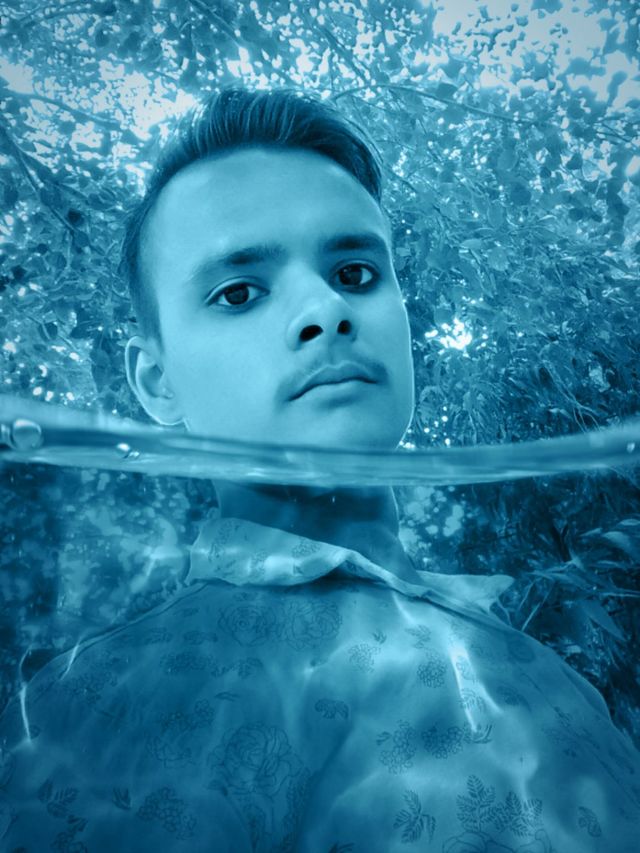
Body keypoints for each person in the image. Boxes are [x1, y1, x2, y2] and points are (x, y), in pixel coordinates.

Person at [0, 85, 639, 853]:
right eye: (239, 291)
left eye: (356, 273)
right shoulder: (77, 713)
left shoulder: (549, 663)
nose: (326, 309)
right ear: (155, 382)